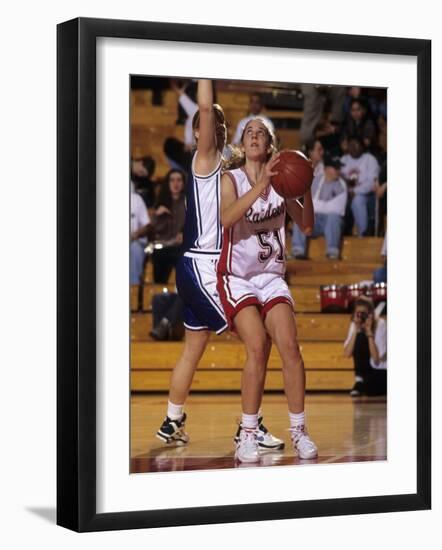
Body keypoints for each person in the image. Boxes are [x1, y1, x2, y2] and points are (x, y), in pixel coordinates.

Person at [156, 80, 283, 451]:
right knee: (258, 340)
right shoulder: (205, 157)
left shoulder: (227, 166)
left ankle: (171, 420)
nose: (220, 128)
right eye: (214, 123)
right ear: (199, 130)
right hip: (205, 268)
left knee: (192, 350)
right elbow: (208, 110)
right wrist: (205, 74)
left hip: (199, 267)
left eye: (227, 125)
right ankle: (250, 426)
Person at [217, 117, 318, 463]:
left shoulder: (280, 181)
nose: (256, 135)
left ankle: (299, 431)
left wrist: (304, 184)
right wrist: (259, 188)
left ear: (271, 145)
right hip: (238, 277)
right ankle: (247, 434)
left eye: (262, 132)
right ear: (243, 145)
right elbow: (227, 218)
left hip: (271, 276)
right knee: (258, 346)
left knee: (290, 346)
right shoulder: (230, 179)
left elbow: (306, 226)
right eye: (250, 132)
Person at [292, 154, 347, 260]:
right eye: (335, 168)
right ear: (326, 169)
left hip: (330, 223)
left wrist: (317, 205)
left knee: (333, 217)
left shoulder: (342, 185)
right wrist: (323, 206)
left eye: (339, 168)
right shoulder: (315, 180)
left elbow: (338, 209)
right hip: (315, 221)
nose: (338, 170)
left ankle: (332, 252)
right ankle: (298, 251)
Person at [344, 296, 387, 397]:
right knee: (359, 337)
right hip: (366, 372)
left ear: (371, 314)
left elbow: (377, 359)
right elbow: (347, 353)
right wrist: (356, 330)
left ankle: (362, 384)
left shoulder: (380, 324)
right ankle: (360, 380)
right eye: (358, 313)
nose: (361, 317)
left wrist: (369, 333)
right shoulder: (355, 323)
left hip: (380, 371)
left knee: (370, 389)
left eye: (364, 313)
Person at [150, 169, 186, 283]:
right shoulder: (160, 202)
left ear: (183, 183)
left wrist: (184, 233)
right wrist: (157, 215)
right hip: (163, 247)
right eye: (172, 180)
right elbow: (154, 229)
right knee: (158, 255)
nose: (175, 184)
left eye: (179, 180)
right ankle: (159, 291)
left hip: (181, 247)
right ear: (168, 183)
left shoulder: (189, 203)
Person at [340, 135, 379, 236]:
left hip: (368, 197)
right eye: (351, 145)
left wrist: (355, 192)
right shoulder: (344, 159)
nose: (353, 147)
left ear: (362, 146)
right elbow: (338, 181)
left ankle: (363, 233)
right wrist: (348, 192)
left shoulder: (370, 159)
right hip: (347, 196)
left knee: (358, 200)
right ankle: (339, 232)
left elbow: (372, 184)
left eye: (356, 145)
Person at [130, 181, 151, 285]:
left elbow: (147, 225)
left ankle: (133, 287)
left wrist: (135, 235)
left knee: (134, 248)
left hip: (134, 240)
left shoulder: (136, 199)